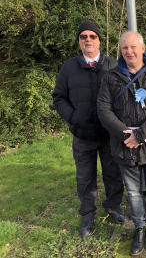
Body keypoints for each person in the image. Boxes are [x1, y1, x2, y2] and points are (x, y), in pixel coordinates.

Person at [97, 31, 146, 255]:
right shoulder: (110, 78)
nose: (129, 52)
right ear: (120, 50)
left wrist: (140, 134)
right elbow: (103, 110)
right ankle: (139, 229)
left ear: (143, 48)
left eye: (133, 47)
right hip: (124, 146)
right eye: (124, 48)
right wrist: (126, 136)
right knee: (132, 192)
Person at [52, 21, 125, 237]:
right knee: (85, 177)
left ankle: (113, 207)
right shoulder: (69, 67)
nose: (88, 40)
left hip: (108, 135)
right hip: (82, 135)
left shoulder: (113, 66)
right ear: (79, 41)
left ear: (99, 40)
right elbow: (59, 97)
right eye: (83, 36)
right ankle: (88, 215)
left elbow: (123, 98)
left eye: (92, 36)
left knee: (113, 174)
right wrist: (73, 118)